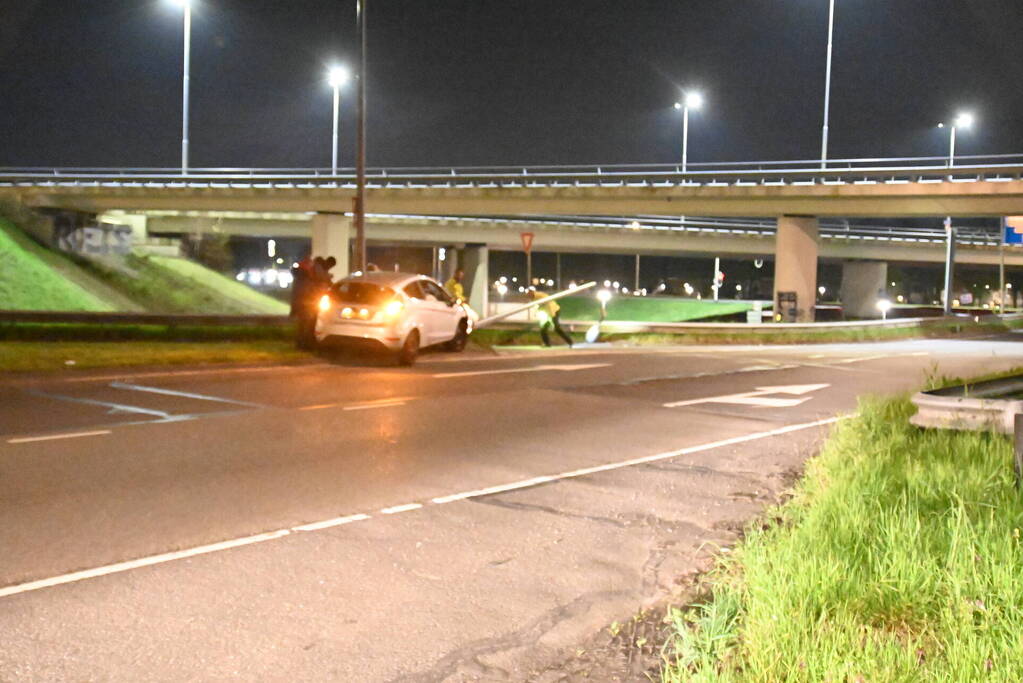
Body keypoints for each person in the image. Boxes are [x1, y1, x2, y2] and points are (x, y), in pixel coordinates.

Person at [289, 256, 317, 349]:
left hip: (300, 305)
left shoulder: (298, 279)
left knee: (302, 326)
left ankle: (301, 344)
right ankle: (303, 345)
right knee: (305, 327)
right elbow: (307, 292)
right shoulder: (305, 279)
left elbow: (296, 294)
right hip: (306, 306)